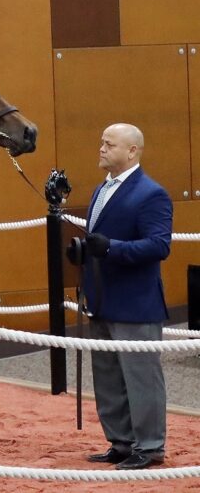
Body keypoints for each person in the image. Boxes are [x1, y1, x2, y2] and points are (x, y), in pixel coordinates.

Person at [81, 123, 172, 470]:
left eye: (110, 144)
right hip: (103, 299)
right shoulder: (101, 190)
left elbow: (159, 245)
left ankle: (149, 446)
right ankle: (120, 441)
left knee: (141, 377)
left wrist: (111, 248)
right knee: (107, 376)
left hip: (136, 303)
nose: (101, 148)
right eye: (101, 142)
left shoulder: (152, 194)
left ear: (132, 151)